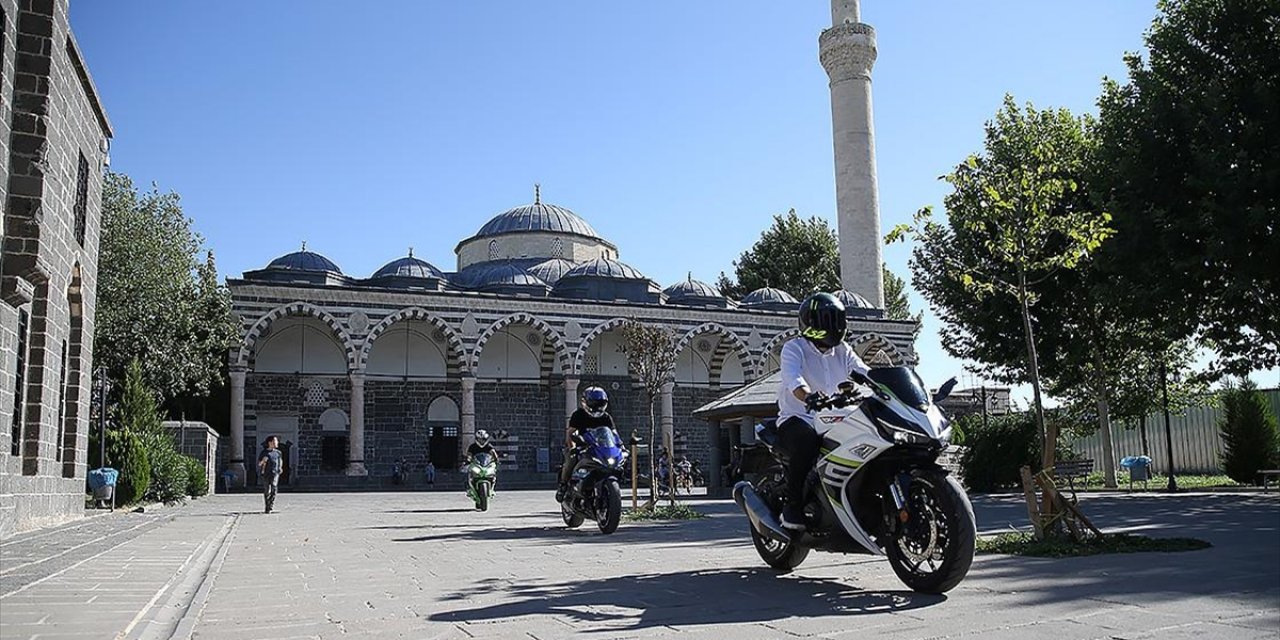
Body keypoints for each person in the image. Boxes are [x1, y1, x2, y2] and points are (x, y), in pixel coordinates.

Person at [776, 292, 869, 530]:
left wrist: (887, 385)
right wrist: (808, 397)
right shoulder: (794, 348)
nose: (832, 327)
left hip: (836, 417)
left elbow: (864, 371)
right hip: (799, 417)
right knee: (806, 442)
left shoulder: (843, 350)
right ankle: (792, 506)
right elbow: (793, 378)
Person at [557, 386, 621, 502]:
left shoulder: (606, 417)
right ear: (585, 403)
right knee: (570, 460)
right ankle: (563, 485)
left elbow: (614, 434)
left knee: (619, 464)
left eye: (600, 403)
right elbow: (570, 433)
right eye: (593, 403)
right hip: (582, 446)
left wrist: (621, 446)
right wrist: (572, 447)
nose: (596, 407)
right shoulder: (578, 415)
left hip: (600, 448)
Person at [257, 435, 283, 514]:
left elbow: (280, 460)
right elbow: (259, 464)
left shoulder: (278, 452)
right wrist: (263, 461)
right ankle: (267, 506)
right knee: (267, 491)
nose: (277, 442)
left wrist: (280, 467)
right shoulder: (264, 452)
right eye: (275, 441)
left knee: (274, 489)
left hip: (275, 473)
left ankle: (270, 505)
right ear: (270, 442)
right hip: (266, 473)